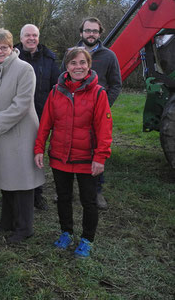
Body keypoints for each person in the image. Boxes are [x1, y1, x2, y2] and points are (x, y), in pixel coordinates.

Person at [35, 47, 113, 258]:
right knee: (63, 197)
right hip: (60, 156)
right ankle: (66, 232)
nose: (78, 67)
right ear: (66, 66)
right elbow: (45, 124)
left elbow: (104, 129)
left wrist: (100, 157)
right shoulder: (56, 91)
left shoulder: (98, 93)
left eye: (82, 63)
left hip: (86, 158)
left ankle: (87, 239)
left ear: (88, 65)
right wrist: (39, 148)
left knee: (89, 201)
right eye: (73, 63)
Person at [0, 29, 45, 244]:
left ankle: (24, 227)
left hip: (21, 132)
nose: (0, 51)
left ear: (12, 48)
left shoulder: (24, 69)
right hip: (3, 132)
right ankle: (7, 221)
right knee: (7, 177)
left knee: (23, 181)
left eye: (4, 47)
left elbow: (22, 104)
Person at [75, 17, 122, 210]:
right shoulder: (72, 53)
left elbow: (116, 84)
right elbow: (62, 79)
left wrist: (103, 107)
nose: (91, 34)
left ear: (99, 34)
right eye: (87, 31)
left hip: (96, 114)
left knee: (96, 150)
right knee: (72, 147)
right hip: (74, 111)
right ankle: (69, 190)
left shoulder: (109, 56)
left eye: (94, 31)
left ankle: (97, 191)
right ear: (81, 33)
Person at [16, 24, 60, 211]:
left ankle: (37, 194)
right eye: (27, 35)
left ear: (39, 37)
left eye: (34, 35)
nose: (31, 38)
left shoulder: (49, 59)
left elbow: (56, 87)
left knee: (36, 154)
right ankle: (14, 192)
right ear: (21, 37)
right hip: (17, 114)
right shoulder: (12, 56)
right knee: (16, 155)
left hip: (40, 114)